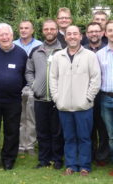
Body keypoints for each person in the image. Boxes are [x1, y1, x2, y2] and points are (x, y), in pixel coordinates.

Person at [50, 25, 101, 176]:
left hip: (83, 106)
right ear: (65, 37)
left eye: (75, 34)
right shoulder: (58, 56)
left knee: (84, 138)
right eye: (69, 34)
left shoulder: (90, 56)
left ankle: (85, 166)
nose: (72, 36)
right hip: (64, 106)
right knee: (69, 137)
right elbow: (53, 78)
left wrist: (88, 98)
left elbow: (95, 79)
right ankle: (71, 165)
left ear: (80, 36)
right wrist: (57, 98)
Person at [0, 23, 27, 170]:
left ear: (12, 36)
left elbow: (25, 76)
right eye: (1, 35)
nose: (5, 37)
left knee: (12, 131)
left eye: (7, 34)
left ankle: (9, 159)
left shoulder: (21, 54)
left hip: (13, 100)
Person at [25, 19, 64, 169]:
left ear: (57, 30)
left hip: (57, 99)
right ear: (42, 31)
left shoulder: (63, 50)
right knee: (42, 131)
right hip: (40, 98)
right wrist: (33, 85)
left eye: (52, 29)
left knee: (57, 131)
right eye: (46, 29)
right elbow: (28, 71)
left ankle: (58, 159)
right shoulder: (36, 50)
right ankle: (43, 159)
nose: (49, 31)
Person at [13, 20, 42, 155]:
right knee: (18, 116)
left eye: (26, 28)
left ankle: (29, 144)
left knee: (31, 117)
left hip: (32, 85)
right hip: (17, 85)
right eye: (21, 28)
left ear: (32, 30)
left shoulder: (39, 46)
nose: (23, 30)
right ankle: (19, 144)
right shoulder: (13, 45)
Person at [85, 22, 109, 166]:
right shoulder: (83, 50)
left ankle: (103, 155)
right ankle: (91, 153)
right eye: (91, 32)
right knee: (89, 127)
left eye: (96, 31)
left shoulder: (107, 50)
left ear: (102, 33)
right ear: (87, 34)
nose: (94, 34)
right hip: (86, 94)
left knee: (104, 127)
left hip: (103, 95)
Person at [96, 20, 113, 176]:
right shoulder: (99, 54)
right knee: (110, 134)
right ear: (105, 33)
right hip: (106, 99)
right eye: (110, 30)